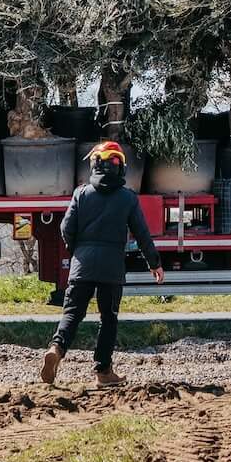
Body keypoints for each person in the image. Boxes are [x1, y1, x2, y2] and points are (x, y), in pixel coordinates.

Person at [41, 141, 164, 388]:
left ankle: (57, 348)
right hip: (111, 268)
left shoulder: (81, 193)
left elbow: (66, 228)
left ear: (94, 165)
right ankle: (103, 371)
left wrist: (78, 251)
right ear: (120, 168)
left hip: (82, 265)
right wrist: (155, 263)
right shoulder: (127, 198)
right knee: (108, 317)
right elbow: (142, 233)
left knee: (72, 313)